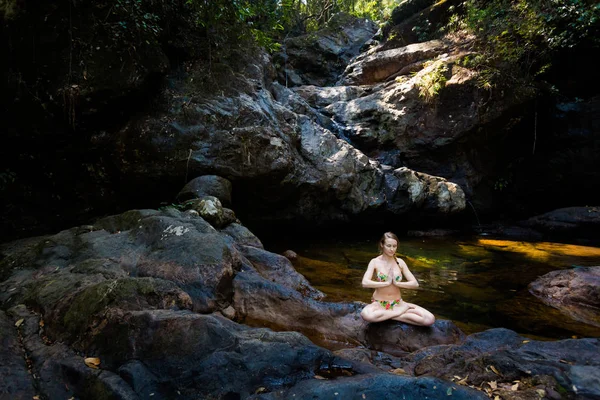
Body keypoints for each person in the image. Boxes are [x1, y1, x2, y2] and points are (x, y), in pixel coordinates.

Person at [360, 232, 435, 326]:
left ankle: (388, 316)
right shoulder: (375, 262)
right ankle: (399, 313)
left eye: (394, 246)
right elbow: (365, 283)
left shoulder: (400, 262)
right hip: (379, 304)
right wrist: (386, 283)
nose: (392, 249)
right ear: (382, 245)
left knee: (429, 319)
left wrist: (398, 284)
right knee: (366, 315)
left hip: (398, 303)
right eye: (389, 246)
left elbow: (415, 284)